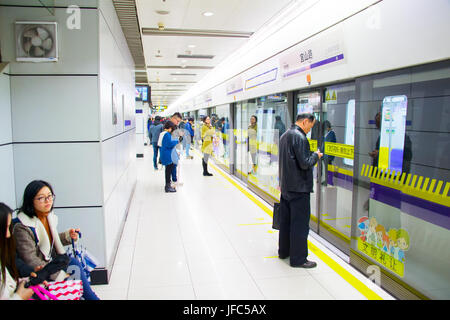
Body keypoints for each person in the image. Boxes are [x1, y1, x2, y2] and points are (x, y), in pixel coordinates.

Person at [13, 180, 100, 300]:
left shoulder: (47, 216)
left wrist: (67, 236)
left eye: (50, 196)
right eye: (41, 198)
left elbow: (47, 242)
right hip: (35, 273)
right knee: (73, 265)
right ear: (30, 201)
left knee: (73, 264)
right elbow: (31, 260)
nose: (48, 201)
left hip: (49, 265)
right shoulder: (22, 226)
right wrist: (60, 275)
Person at [278, 113, 323, 268]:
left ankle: (284, 251)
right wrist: (316, 156)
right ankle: (298, 259)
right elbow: (305, 163)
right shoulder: (300, 137)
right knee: (300, 225)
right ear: (305, 122)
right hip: (299, 189)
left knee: (285, 223)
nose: (310, 130)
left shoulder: (284, 136)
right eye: (310, 126)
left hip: (286, 188)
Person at [0, 203, 36, 300]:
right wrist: (20, 296)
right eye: (4, 228)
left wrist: (27, 282)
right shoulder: (22, 227)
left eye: (49, 197)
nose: (8, 235)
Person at [159, 121, 181, 193]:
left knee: (168, 170)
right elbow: (169, 144)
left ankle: (168, 185)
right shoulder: (167, 134)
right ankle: (167, 187)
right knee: (168, 171)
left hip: (167, 154)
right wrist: (176, 140)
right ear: (170, 128)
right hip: (167, 155)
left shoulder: (165, 134)